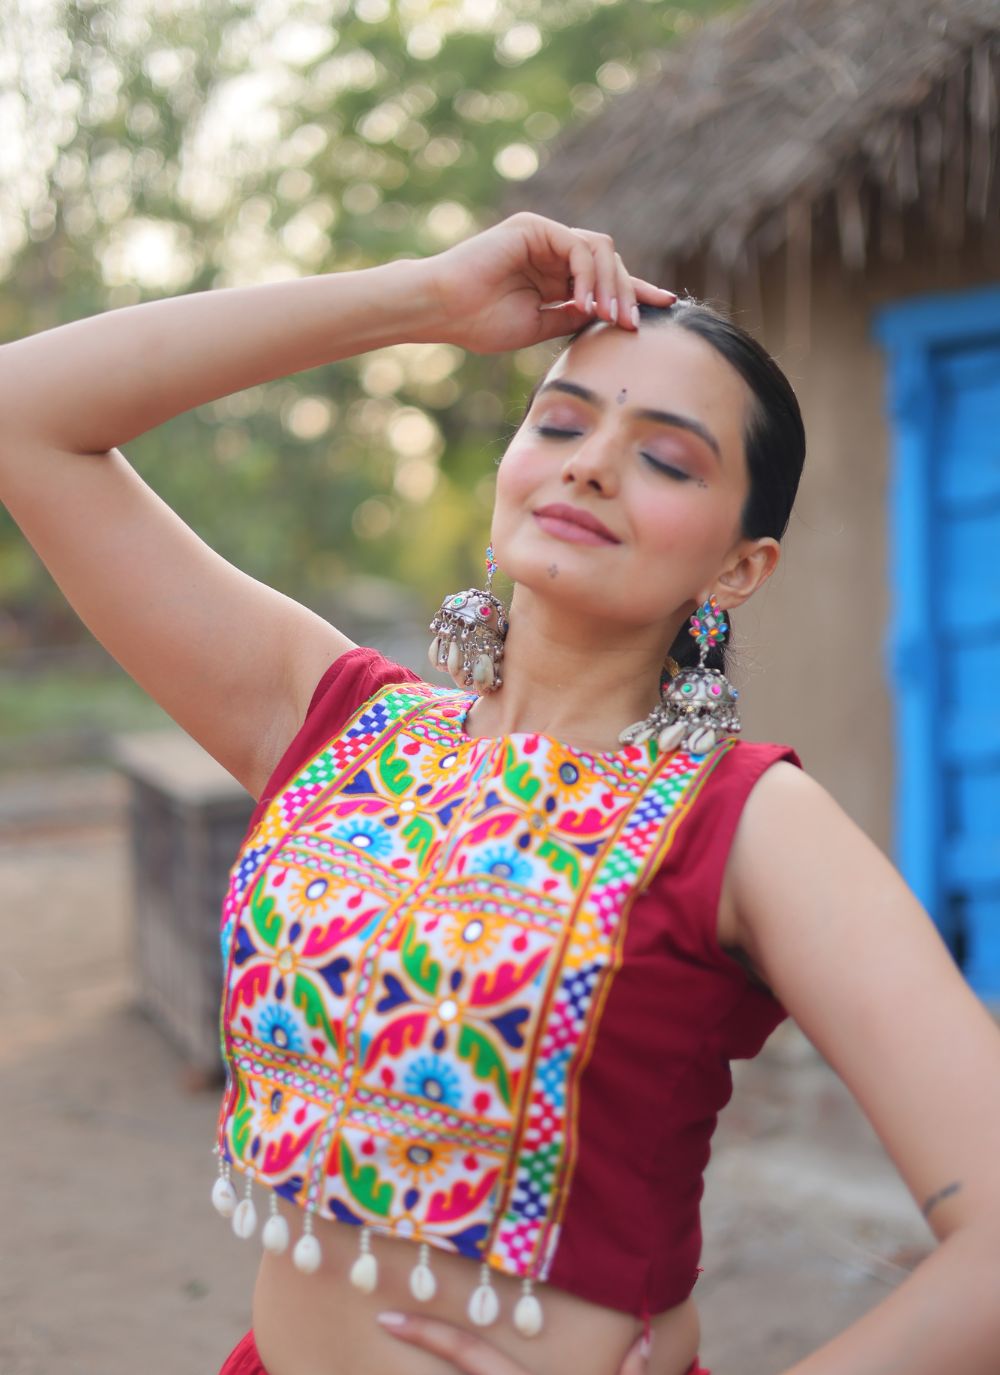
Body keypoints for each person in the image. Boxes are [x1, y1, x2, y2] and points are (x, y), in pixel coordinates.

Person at [2, 212, 999, 1375]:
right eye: (560, 422)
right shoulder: (336, 722)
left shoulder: (744, 823)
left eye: (668, 458)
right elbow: (28, 414)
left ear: (738, 567)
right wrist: (421, 301)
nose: (588, 461)